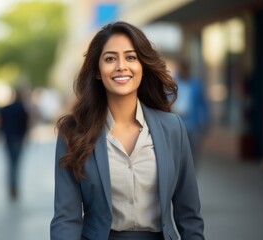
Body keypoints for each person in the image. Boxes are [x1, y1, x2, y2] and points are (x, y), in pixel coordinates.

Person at [50, 21, 204, 240]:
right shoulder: (74, 132)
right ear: (97, 70)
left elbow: (189, 214)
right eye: (110, 58)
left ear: (143, 66)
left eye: (131, 57)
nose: (121, 66)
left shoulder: (172, 128)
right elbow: (66, 217)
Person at [171, 59, 210, 169]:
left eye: (184, 69)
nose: (182, 72)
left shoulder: (195, 85)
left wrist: (205, 123)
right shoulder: (172, 84)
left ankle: (191, 176)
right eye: (180, 69)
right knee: (177, 152)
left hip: (192, 124)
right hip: (176, 123)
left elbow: (203, 105)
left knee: (193, 152)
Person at [0, 87, 29, 200]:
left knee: (10, 163)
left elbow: (0, 122)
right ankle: (14, 187)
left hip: (8, 138)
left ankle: (11, 186)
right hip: (18, 138)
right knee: (16, 164)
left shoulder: (5, 109)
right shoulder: (21, 108)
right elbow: (25, 124)